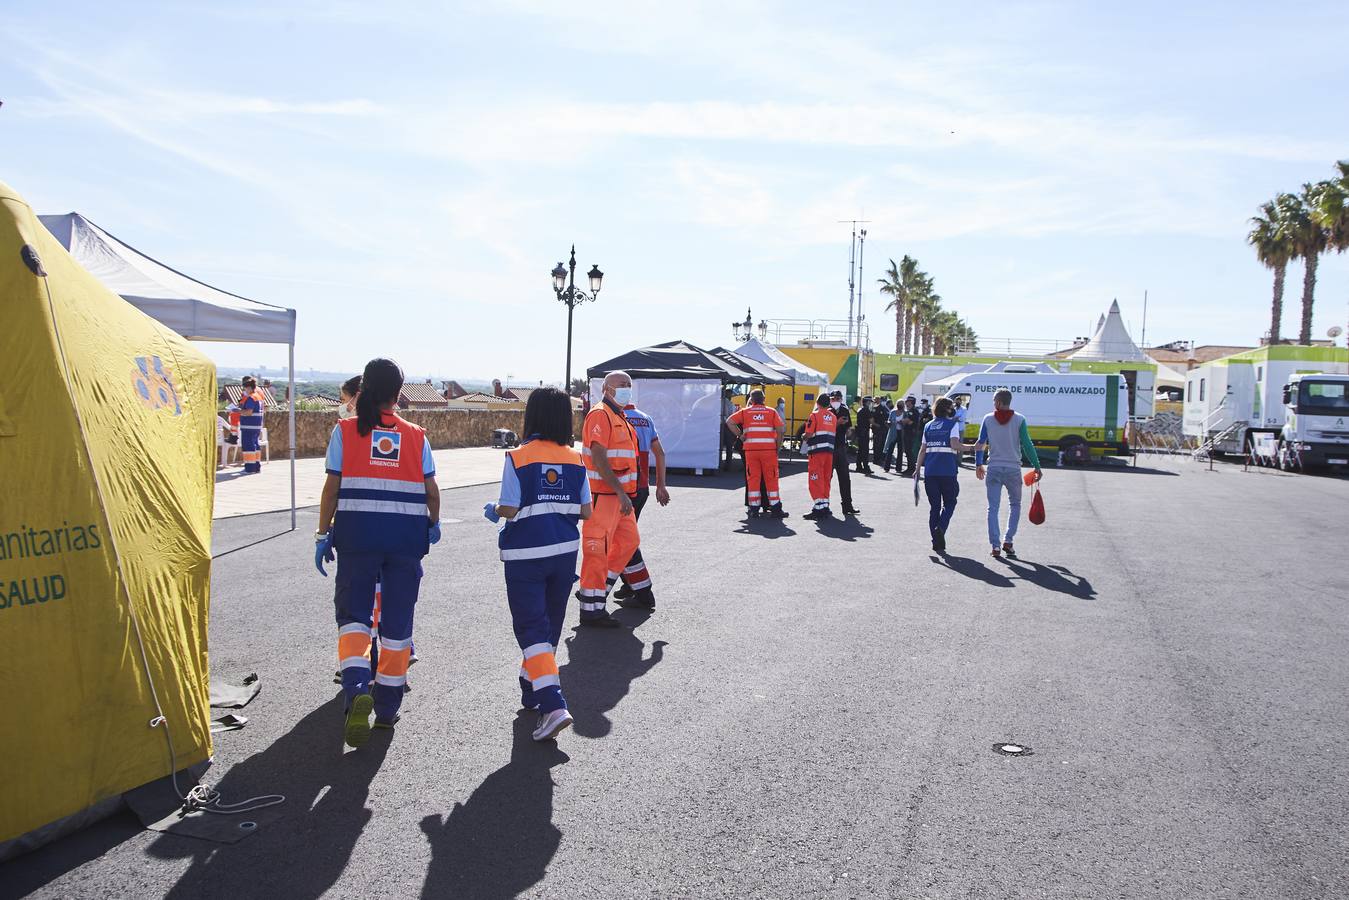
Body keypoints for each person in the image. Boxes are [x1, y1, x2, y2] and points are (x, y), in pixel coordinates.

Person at [315, 358, 441, 747]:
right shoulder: (417, 435)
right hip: (405, 541)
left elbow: (332, 488)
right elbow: (432, 490)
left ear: (365, 388)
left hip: (357, 537)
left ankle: (356, 689)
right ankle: (387, 707)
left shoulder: (345, 430)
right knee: (398, 624)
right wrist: (432, 523)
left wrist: (323, 533)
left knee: (354, 618)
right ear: (398, 392)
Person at [483, 387, 591, 741]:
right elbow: (586, 511)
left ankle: (553, 704)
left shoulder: (517, 456)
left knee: (531, 628)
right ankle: (531, 688)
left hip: (525, 555)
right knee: (550, 626)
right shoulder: (576, 460)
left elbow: (510, 509)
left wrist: (495, 509)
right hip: (563, 552)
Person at [576, 371, 652, 626]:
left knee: (629, 542)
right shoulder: (600, 414)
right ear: (607, 389)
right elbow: (599, 456)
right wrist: (620, 492)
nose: (626, 389)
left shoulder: (620, 416)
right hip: (605, 496)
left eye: (629, 385)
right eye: (621, 385)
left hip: (621, 498)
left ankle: (597, 590)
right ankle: (591, 610)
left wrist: (625, 494)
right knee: (597, 549)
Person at [612, 391, 672, 607]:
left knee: (621, 540)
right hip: (641, 487)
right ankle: (632, 585)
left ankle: (638, 586)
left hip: (620, 488)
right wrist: (661, 486)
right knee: (625, 537)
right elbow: (660, 453)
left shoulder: (614, 418)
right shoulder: (646, 418)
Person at [975, 388, 1043, 560]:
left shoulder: (988, 419)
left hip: (994, 468)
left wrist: (978, 463)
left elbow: (980, 443)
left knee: (993, 508)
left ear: (998, 402)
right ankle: (1008, 541)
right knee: (1015, 505)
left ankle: (995, 545)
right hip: (1013, 469)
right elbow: (1027, 444)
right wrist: (1037, 466)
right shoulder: (1019, 419)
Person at [913, 397, 978, 553]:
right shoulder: (952, 424)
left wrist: (917, 469)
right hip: (947, 471)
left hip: (930, 472)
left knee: (934, 507)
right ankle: (940, 528)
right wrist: (973, 448)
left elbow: (923, 450)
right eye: (951, 407)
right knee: (950, 502)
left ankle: (936, 541)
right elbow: (955, 445)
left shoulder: (928, 426)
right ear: (947, 409)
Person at [726, 388, 787, 518]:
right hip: (769, 451)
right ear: (764, 399)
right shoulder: (771, 412)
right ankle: (776, 508)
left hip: (751, 451)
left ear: (751, 400)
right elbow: (780, 430)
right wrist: (778, 446)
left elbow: (729, 422)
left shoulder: (745, 412)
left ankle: (753, 508)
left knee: (753, 479)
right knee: (771, 479)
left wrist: (740, 435)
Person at [802, 394, 837, 520]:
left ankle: (818, 508)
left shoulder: (815, 415)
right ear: (828, 404)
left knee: (815, 478)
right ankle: (825, 505)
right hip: (829, 452)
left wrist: (803, 437)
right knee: (825, 478)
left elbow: (809, 433)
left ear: (817, 403)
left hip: (817, 452)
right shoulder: (833, 417)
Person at [828, 390, 859, 516]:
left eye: (838, 398)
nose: (836, 400)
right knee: (826, 478)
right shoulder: (826, 411)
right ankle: (823, 505)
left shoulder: (845, 410)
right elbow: (824, 427)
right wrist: (837, 423)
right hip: (828, 448)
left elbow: (848, 430)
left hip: (840, 447)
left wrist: (849, 431)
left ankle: (847, 505)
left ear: (841, 399)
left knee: (845, 478)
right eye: (833, 398)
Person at [238, 376, 266, 474]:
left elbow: (249, 412)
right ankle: (256, 466)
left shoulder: (251, 398)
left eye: (245, 388)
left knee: (248, 447)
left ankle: (250, 468)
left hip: (249, 426)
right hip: (256, 425)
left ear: (249, 388)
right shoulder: (258, 397)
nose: (244, 390)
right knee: (255, 446)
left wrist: (238, 411)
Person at [898, 396, 921, 476]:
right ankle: (909, 467)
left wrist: (902, 421)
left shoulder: (913, 411)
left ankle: (911, 468)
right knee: (907, 451)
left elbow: (909, 421)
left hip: (910, 433)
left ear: (911, 402)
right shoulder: (908, 411)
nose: (906, 403)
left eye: (907, 401)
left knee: (909, 451)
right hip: (907, 432)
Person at [854, 397, 873, 474]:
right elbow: (871, 420)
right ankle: (865, 467)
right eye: (870, 402)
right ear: (867, 402)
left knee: (860, 450)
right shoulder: (866, 410)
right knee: (865, 450)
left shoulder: (860, 409)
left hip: (860, 431)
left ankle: (858, 466)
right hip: (864, 432)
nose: (870, 403)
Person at [720, 388, 737, 471]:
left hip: (721, 425)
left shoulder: (721, 402)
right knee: (729, 447)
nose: (732, 396)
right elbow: (730, 416)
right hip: (727, 426)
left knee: (719, 446)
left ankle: (720, 463)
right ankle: (728, 465)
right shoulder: (728, 403)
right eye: (731, 394)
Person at [882, 400, 901, 472]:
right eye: (899, 404)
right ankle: (887, 467)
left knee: (900, 451)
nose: (900, 405)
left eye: (901, 404)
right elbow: (888, 420)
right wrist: (889, 422)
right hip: (893, 432)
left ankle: (898, 468)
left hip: (901, 433)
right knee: (890, 449)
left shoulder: (905, 413)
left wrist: (902, 422)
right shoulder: (893, 412)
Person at [871, 398, 889, 467]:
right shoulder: (875, 408)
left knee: (882, 444)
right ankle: (876, 459)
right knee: (877, 445)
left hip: (884, 429)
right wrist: (875, 425)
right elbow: (872, 418)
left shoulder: (885, 408)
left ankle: (881, 458)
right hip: (877, 429)